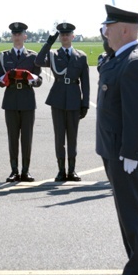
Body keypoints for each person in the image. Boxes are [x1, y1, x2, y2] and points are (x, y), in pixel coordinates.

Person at [96, 5, 138, 275]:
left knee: (132, 213)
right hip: (113, 149)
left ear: (125, 30)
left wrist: (131, 152)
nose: (105, 32)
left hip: (123, 153)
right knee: (125, 212)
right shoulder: (120, 58)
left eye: (109, 27)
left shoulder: (135, 62)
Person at [35, 22, 89, 181]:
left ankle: (72, 170)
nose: (65, 37)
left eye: (68, 34)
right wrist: (48, 43)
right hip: (58, 98)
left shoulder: (81, 56)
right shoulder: (53, 54)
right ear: (59, 37)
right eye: (62, 35)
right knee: (59, 136)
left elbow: (85, 82)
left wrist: (85, 103)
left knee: (72, 136)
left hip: (73, 98)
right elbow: (38, 61)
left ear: (73, 36)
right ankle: (61, 170)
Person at [0, 22, 42, 182]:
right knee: (13, 137)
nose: (17, 37)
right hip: (10, 100)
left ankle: (26, 170)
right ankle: (14, 170)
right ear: (12, 36)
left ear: (25, 36)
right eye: (14, 34)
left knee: (27, 137)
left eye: (19, 34)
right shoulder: (3, 56)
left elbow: (39, 80)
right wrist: (7, 77)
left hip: (27, 100)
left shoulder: (33, 56)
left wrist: (29, 78)